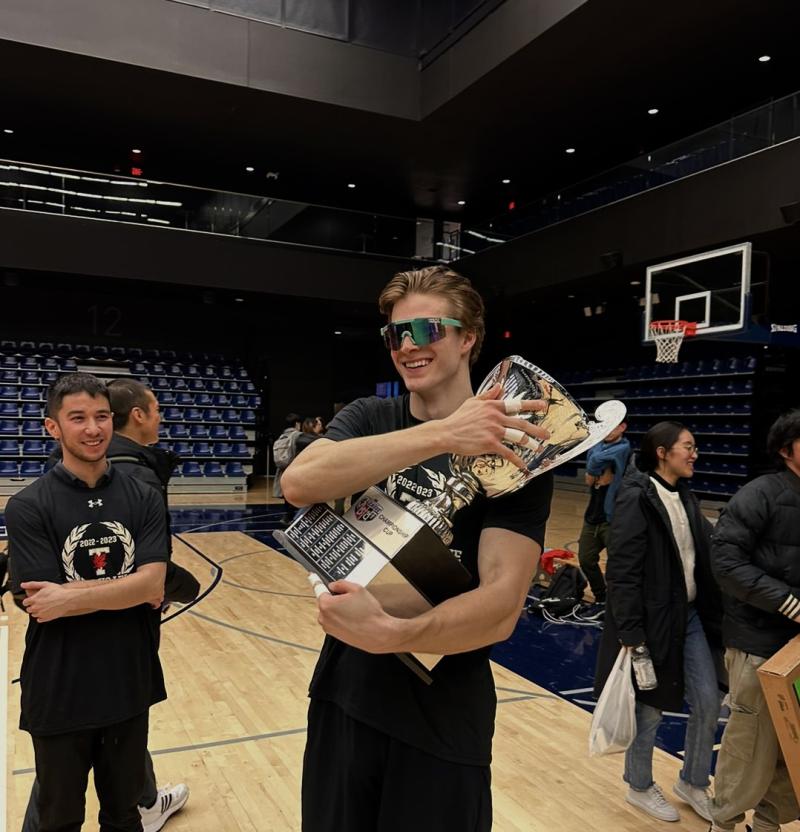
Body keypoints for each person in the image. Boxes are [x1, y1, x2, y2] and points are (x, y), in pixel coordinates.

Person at [282, 264, 554, 832]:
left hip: (443, 715)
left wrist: (396, 635)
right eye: (395, 334)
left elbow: (502, 605)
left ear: (467, 339)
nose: (408, 345)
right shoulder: (369, 417)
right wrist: (443, 434)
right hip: (345, 693)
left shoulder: (514, 452)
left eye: (427, 330)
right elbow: (300, 483)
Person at [23, 376, 194, 832]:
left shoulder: (141, 494)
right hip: (60, 687)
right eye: (77, 418)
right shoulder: (28, 505)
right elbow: (42, 604)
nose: (93, 428)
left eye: (100, 417)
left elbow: (154, 584)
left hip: (127, 681)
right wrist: (129, 586)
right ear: (52, 428)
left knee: (124, 816)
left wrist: (70, 594)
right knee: (58, 819)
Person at [594, 421, 723, 823]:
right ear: (663, 452)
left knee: (707, 700)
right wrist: (631, 633)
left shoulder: (685, 495)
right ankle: (638, 783)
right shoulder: (637, 496)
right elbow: (623, 570)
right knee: (649, 709)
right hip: (651, 623)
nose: (694, 453)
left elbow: (705, 549)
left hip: (689, 617)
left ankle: (694, 780)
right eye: (688, 446)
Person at [709, 409, 800, 832]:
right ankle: (723, 821)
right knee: (748, 744)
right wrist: (786, 602)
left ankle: (767, 824)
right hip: (758, 645)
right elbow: (726, 562)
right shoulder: (760, 493)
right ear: (786, 450)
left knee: (792, 746)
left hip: (796, 652)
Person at [577, 420, 630, 605]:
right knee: (585, 559)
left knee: (618, 564)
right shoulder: (595, 449)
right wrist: (597, 472)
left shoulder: (626, 450)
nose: (609, 431)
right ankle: (601, 597)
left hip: (614, 518)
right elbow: (589, 480)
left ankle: (620, 603)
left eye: (614, 426)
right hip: (592, 515)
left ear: (623, 427)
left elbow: (599, 468)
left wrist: (599, 472)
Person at [272, 412, 302, 523]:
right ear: (297, 424)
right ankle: (296, 519)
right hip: (294, 470)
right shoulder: (297, 436)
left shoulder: (281, 437)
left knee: (288, 496)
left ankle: (287, 517)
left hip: (283, 471)